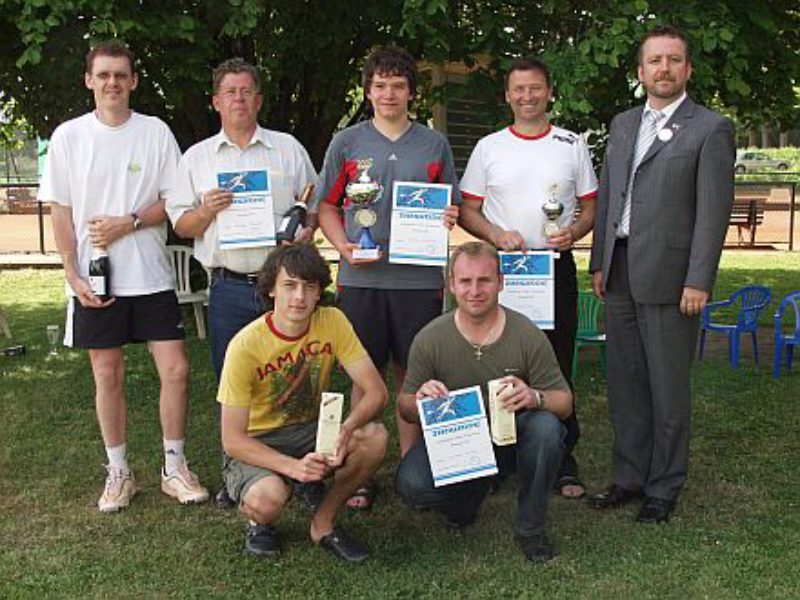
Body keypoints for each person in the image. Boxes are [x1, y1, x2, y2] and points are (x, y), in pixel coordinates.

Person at [39, 40, 208, 512]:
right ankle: (119, 472)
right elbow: (61, 213)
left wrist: (129, 222)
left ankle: (174, 467)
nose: (112, 83)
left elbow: (175, 202)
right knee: (107, 374)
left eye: (121, 75)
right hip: (97, 280)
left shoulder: (155, 133)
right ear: (88, 80)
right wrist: (71, 274)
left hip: (151, 276)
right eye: (104, 75)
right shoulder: (68, 137)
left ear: (133, 81)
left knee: (175, 370)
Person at [588, 25, 735, 523]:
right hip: (621, 267)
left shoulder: (710, 128)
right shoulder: (624, 123)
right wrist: (599, 261)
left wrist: (700, 279)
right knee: (626, 381)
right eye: (655, 61)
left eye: (674, 60)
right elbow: (609, 194)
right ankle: (629, 476)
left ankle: (663, 487)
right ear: (641, 71)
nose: (664, 69)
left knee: (667, 386)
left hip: (674, 276)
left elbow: (714, 212)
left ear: (688, 69)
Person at [165, 58, 318, 508]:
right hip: (229, 285)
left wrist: (308, 231)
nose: (238, 99)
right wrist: (208, 210)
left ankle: (304, 471)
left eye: (246, 91)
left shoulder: (287, 148)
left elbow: (310, 206)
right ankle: (241, 474)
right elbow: (183, 225)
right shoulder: (196, 159)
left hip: (285, 286)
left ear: (259, 99)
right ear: (215, 101)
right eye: (229, 92)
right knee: (235, 382)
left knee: (295, 379)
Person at [317, 45, 460, 509]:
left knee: (413, 376)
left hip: (418, 281)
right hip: (361, 281)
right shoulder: (348, 142)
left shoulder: (433, 144)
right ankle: (360, 470)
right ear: (368, 90)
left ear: (411, 93)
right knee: (365, 376)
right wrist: (342, 247)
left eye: (398, 85)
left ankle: (414, 472)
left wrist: (447, 216)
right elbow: (327, 207)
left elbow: (449, 204)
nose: (389, 94)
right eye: (380, 85)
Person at [459, 57, 597, 499]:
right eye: (518, 89)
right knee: (496, 359)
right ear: (507, 95)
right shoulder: (489, 147)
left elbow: (590, 205)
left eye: (535, 88)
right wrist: (497, 234)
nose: (527, 96)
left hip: (553, 268)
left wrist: (572, 233)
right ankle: (498, 455)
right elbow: (468, 209)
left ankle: (561, 458)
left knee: (554, 362)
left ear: (549, 91)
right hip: (504, 272)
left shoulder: (571, 144)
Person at [395, 241, 573, 563]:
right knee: (412, 484)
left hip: (512, 436)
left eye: (484, 280)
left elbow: (564, 403)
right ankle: (467, 498)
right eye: (465, 281)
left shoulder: (526, 333)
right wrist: (420, 398)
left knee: (547, 429)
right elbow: (404, 407)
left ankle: (530, 527)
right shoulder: (431, 337)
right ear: (451, 284)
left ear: (501, 282)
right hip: (459, 441)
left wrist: (534, 397)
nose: (474, 290)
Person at [218, 243, 388, 563]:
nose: (299, 297)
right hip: (258, 440)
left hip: (310, 430)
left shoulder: (332, 321)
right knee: (268, 499)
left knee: (374, 437)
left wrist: (347, 430)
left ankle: (323, 523)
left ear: (319, 292)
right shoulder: (245, 346)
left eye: (309, 287)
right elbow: (233, 440)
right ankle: (258, 520)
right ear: (271, 290)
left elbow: (376, 391)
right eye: (289, 285)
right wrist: (294, 468)